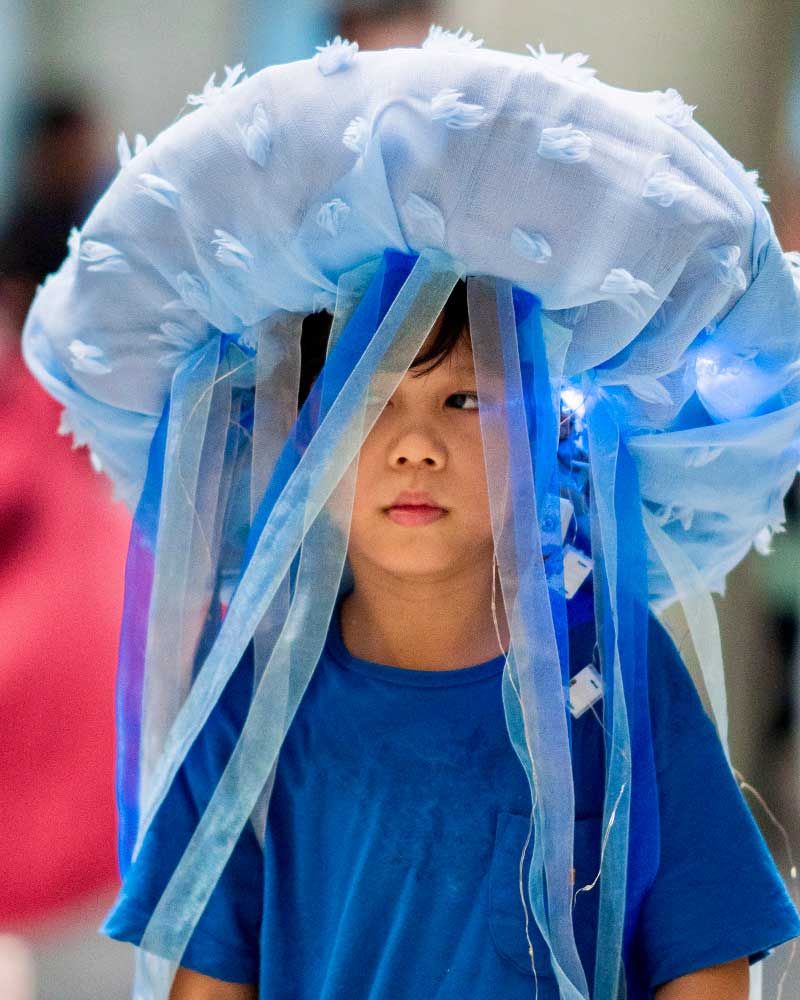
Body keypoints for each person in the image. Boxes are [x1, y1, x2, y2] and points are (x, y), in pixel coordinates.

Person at [20, 29, 800, 1000]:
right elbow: (204, 976)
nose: (412, 445)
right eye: (364, 402)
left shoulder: (611, 673)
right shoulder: (260, 699)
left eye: (464, 400)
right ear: (299, 441)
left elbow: (704, 956)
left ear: (541, 434)